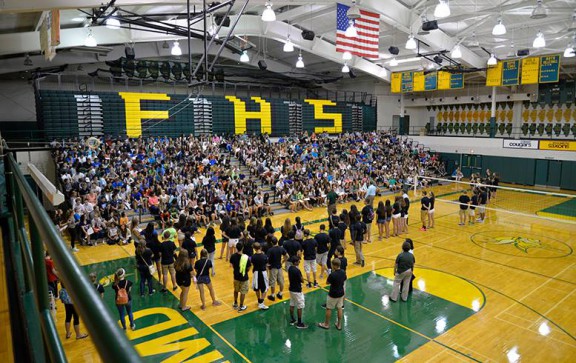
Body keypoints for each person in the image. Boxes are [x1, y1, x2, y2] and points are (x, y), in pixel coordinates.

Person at [317, 258, 346, 331]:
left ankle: (326, 324)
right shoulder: (343, 272)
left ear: (335, 266)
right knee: (339, 308)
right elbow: (344, 279)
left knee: (329, 308)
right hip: (341, 293)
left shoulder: (332, 275)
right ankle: (339, 325)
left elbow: (327, 282)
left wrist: (330, 275)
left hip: (333, 294)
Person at [230, 242, 251, 312]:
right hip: (244, 277)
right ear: (242, 248)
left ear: (236, 248)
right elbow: (248, 267)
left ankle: (235, 303)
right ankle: (241, 306)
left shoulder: (233, 256)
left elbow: (232, 265)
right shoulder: (246, 257)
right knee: (243, 292)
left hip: (236, 276)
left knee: (236, 290)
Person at [287, 256, 308, 329]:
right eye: (298, 261)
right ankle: (299, 323)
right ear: (295, 262)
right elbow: (302, 280)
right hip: (297, 290)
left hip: (291, 289)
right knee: (300, 306)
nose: (299, 262)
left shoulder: (289, 268)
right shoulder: (297, 270)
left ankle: (292, 319)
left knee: (292, 304)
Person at [266, 236, 287, 301]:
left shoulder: (270, 250)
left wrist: (267, 265)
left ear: (272, 243)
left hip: (273, 268)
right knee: (281, 281)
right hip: (279, 267)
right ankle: (280, 293)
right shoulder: (281, 248)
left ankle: (272, 295)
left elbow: (266, 259)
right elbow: (287, 256)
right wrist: (283, 262)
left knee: (272, 282)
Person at [251, 242, 269, 310]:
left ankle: (259, 300)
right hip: (263, 273)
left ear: (254, 249)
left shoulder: (253, 257)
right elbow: (267, 265)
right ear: (260, 247)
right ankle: (261, 302)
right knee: (265, 288)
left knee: (257, 288)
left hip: (256, 273)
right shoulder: (264, 256)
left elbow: (252, 264)